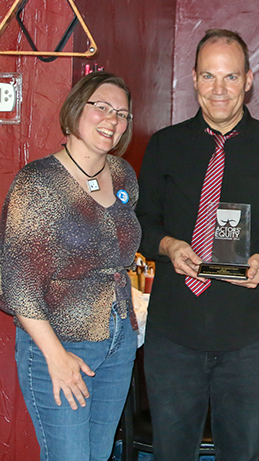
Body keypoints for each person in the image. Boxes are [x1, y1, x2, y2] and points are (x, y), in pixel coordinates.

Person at [136, 28, 259, 461]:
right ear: (193, 79)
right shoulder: (164, 145)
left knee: (241, 453)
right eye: (209, 76)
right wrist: (171, 245)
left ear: (248, 80)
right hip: (174, 335)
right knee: (172, 453)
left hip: (246, 338)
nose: (219, 89)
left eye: (230, 77)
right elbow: (140, 220)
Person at [0, 72, 141, 461]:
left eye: (122, 114)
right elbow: (15, 282)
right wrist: (56, 356)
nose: (112, 120)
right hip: (61, 343)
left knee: (97, 456)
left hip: (117, 340)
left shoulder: (122, 174)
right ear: (76, 109)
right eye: (102, 107)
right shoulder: (39, 183)